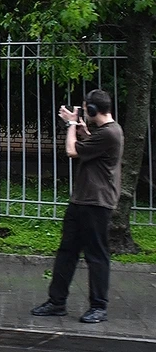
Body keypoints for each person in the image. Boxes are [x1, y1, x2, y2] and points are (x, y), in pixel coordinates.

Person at [31, 89, 123, 323]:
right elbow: (89, 145)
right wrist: (81, 130)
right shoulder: (102, 132)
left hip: (97, 203)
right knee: (67, 252)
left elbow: (72, 151)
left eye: (86, 109)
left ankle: (99, 306)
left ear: (93, 110)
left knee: (97, 256)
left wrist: (72, 125)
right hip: (81, 200)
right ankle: (57, 302)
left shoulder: (111, 133)